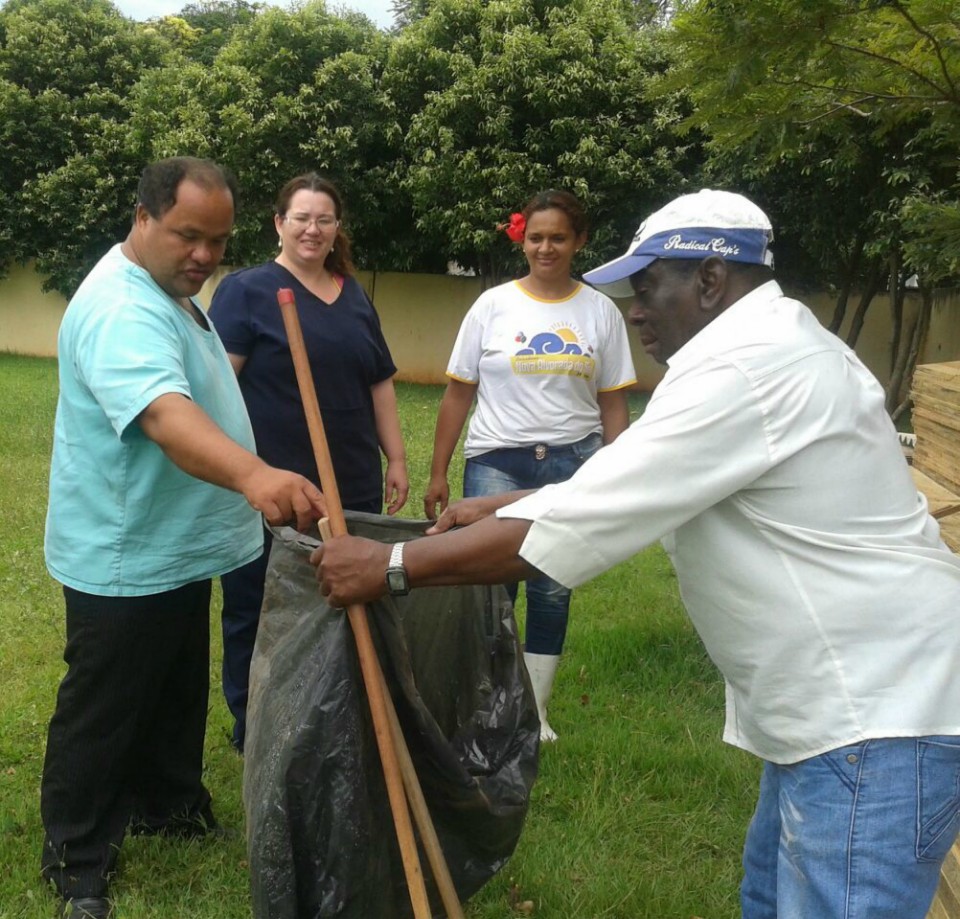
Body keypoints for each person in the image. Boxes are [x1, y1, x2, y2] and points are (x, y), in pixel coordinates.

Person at [314, 189, 960, 919]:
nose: (634, 310)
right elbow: (631, 480)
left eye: (648, 287)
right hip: (841, 717)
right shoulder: (764, 346)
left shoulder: (746, 369)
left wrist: (390, 567)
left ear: (712, 280)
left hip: (873, 716)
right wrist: (496, 505)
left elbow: (588, 517)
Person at [41, 157, 326, 919]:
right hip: (122, 545)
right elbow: (166, 415)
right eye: (187, 235)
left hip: (173, 539)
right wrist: (256, 477)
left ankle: (169, 803)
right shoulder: (119, 308)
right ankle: (77, 858)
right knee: (104, 704)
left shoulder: (167, 288)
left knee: (171, 683)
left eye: (218, 241)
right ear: (143, 218)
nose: (203, 255)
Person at [423, 189, 635, 740]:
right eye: (535, 237)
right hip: (497, 459)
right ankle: (488, 699)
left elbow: (613, 401)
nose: (546, 248)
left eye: (558, 237)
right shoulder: (492, 306)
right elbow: (456, 394)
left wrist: (617, 472)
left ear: (579, 241)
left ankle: (536, 711)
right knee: (489, 586)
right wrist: (438, 471)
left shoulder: (600, 311)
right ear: (523, 239)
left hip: (573, 463)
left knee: (551, 586)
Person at [208, 172, 408, 752]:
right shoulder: (246, 291)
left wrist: (394, 457)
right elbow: (220, 388)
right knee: (259, 600)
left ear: (336, 228)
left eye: (324, 219)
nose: (312, 229)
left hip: (350, 477)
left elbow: (380, 383)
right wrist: (234, 468)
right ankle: (256, 725)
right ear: (279, 223)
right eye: (301, 217)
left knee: (347, 596)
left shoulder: (352, 294)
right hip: (274, 483)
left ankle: (336, 712)